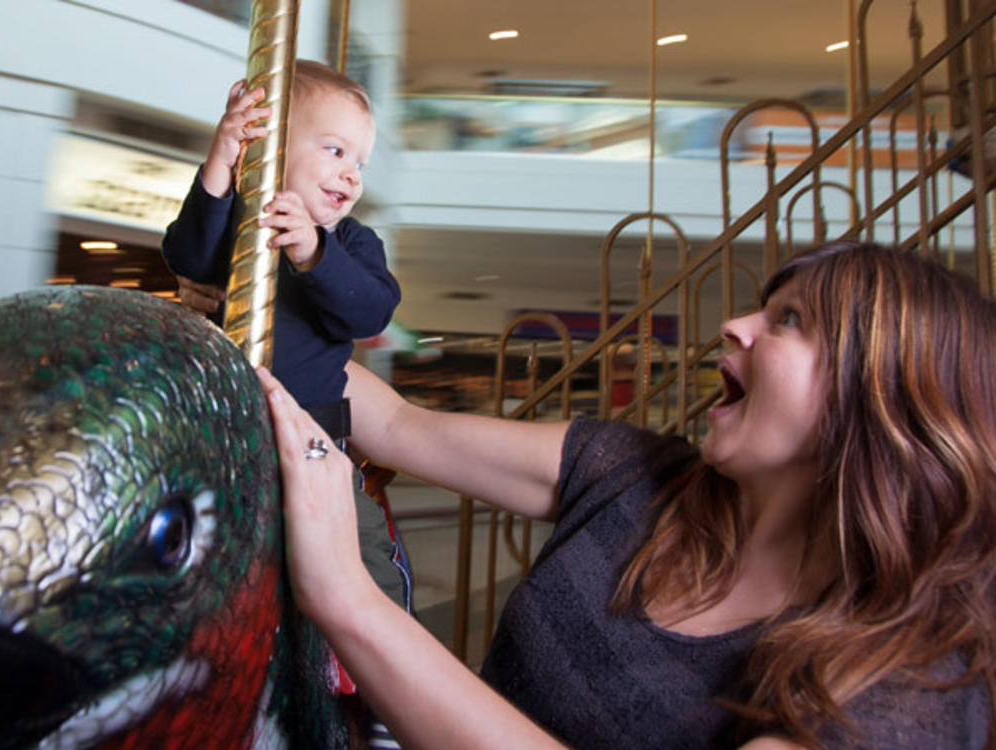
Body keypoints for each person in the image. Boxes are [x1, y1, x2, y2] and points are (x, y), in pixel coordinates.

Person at [258, 241, 995, 749]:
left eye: (790, 320)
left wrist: (349, 598)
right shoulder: (639, 475)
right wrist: (257, 333)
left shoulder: (908, 682)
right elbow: (398, 425)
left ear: (883, 397)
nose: (733, 325)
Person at [162, 60, 411, 699]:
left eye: (359, 160)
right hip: (220, 438)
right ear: (272, 148)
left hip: (315, 445)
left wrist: (312, 253)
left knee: (365, 555)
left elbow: (370, 308)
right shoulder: (242, 226)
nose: (351, 173)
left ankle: (388, 691)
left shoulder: (351, 243)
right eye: (334, 150)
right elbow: (187, 254)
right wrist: (222, 159)